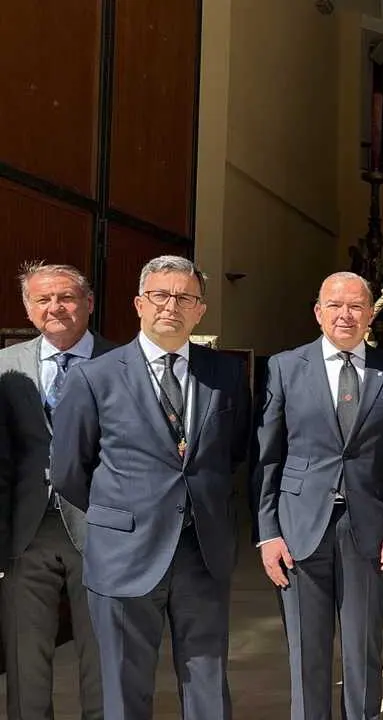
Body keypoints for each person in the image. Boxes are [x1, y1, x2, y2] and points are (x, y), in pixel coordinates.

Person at [50, 255, 251, 720]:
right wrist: (122, 514)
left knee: (206, 679)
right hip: (124, 552)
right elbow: (68, 471)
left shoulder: (225, 375)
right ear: (139, 303)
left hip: (202, 551)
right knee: (123, 684)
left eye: (184, 297)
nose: (171, 306)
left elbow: (233, 451)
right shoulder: (93, 376)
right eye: (160, 295)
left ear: (201, 310)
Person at [253, 272, 383, 720]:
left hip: (368, 530)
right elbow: (268, 459)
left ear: (370, 314)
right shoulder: (286, 368)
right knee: (306, 653)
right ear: (318, 312)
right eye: (335, 305)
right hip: (298, 528)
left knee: (363, 649)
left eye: (355, 307)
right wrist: (267, 533)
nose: (345, 315)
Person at [0, 262, 111, 719]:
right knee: (25, 656)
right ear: (28, 309)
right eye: (42, 300)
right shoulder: (5, 366)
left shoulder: (121, 362)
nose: (55, 308)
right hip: (25, 531)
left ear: (87, 302)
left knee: (103, 652)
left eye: (66, 297)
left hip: (101, 528)